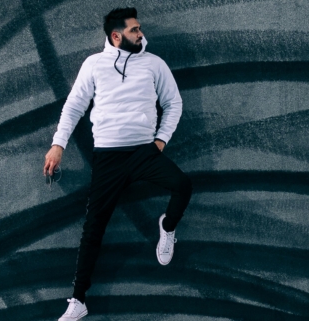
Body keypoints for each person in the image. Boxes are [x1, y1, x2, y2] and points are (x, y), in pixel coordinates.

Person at [42, 7, 193, 321]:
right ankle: (78, 301)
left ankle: (167, 227)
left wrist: (160, 140)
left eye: (139, 28)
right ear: (115, 35)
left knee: (183, 185)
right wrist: (58, 145)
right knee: (93, 229)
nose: (140, 34)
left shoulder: (153, 64)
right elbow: (74, 107)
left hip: (143, 152)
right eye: (134, 30)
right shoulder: (94, 65)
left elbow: (173, 102)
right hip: (108, 157)